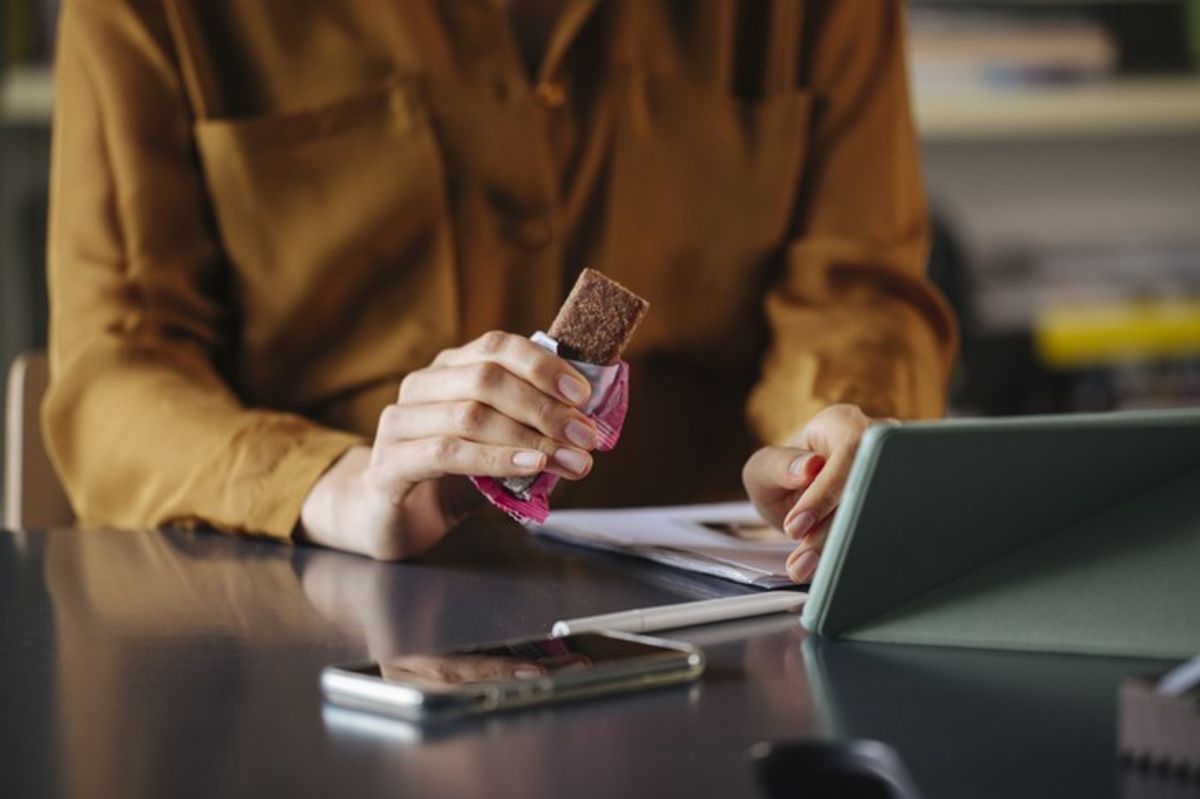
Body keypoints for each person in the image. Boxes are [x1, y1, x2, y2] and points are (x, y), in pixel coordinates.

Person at [43, 1, 956, 583]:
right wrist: (342, 485)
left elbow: (855, 291)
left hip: (724, 613)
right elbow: (118, 367)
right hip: (317, 611)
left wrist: (828, 445)